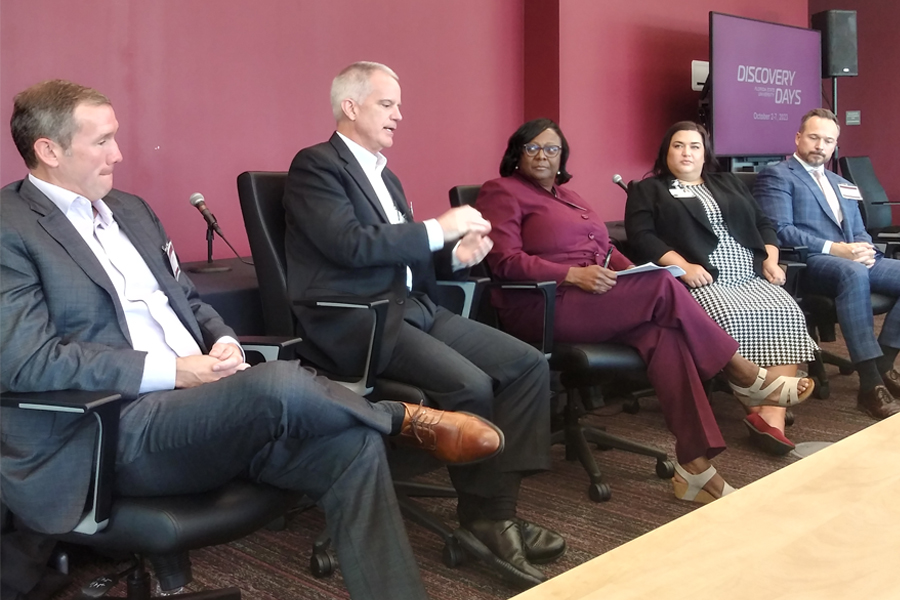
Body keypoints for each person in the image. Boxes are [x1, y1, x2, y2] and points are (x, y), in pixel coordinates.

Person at [0, 79, 504, 600]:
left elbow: (190, 303)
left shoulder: (131, 210)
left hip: (201, 408)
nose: (119, 153)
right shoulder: (10, 226)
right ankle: (401, 418)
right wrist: (174, 371)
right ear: (49, 150)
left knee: (351, 446)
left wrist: (225, 344)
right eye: (102, 141)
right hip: (114, 429)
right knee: (279, 384)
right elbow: (28, 361)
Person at [283, 62, 561, 589]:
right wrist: (437, 226)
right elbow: (350, 246)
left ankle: (498, 511)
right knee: (471, 384)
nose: (398, 115)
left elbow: (407, 260)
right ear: (351, 106)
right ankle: (482, 523)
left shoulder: (386, 174)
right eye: (387, 104)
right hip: (361, 322)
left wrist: (456, 255)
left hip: (413, 307)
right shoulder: (315, 167)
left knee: (527, 366)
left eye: (397, 105)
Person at [475, 118, 814, 504]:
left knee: (666, 337)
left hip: (595, 298)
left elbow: (606, 251)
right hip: (543, 303)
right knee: (666, 284)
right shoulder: (501, 192)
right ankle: (744, 373)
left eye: (551, 149)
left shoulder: (570, 196)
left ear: (562, 157)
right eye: (532, 147)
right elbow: (505, 262)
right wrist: (571, 274)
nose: (542, 155)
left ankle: (695, 468)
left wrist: (635, 272)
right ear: (516, 153)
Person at [624, 121, 819, 455]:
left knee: (786, 311)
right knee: (731, 317)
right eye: (678, 146)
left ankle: (772, 417)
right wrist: (683, 266)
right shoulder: (649, 190)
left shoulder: (727, 182)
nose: (687, 153)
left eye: (694, 146)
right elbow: (642, 236)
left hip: (750, 272)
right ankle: (759, 408)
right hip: (703, 276)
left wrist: (771, 259)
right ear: (666, 152)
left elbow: (763, 224)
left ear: (705, 153)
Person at [755, 108, 900, 420]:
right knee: (853, 271)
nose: (821, 145)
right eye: (814, 137)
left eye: (828, 140)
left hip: (851, 259)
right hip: (810, 263)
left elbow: (859, 228)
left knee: (861, 266)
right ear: (798, 137)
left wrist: (866, 249)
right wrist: (837, 249)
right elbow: (780, 230)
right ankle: (870, 384)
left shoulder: (840, 181)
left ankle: (885, 363)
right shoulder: (777, 175)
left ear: (835, 145)